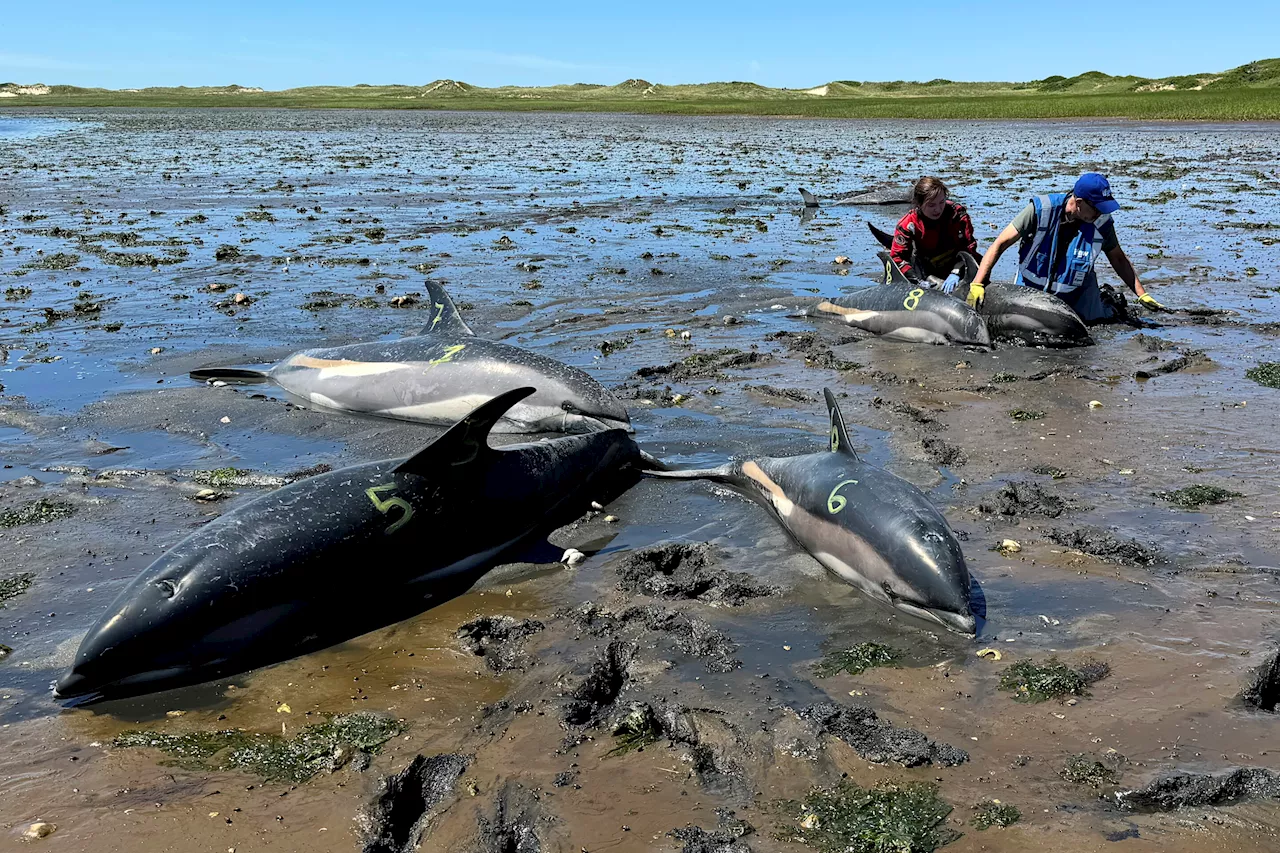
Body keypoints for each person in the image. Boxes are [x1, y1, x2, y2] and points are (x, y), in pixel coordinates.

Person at [967, 173, 1163, 323]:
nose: (1100, 214)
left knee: (1099, 321)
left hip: (1077, 294)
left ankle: (1108, 302)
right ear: (1078, 203)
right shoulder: (1040, 210)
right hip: (1031, 290)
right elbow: (1000, 244)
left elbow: (1118, 258)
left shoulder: (1102, 223)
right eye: (1096, 208)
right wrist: (978, 283)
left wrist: (1141, 293)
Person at [889, 176, 978, 293]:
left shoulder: (957, 215)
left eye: (941, 202)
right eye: (931, 205)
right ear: (919, 204)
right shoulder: (908, 224)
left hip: (957, 264)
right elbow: (897, 258)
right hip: (926, 269)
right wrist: (916, 281)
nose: (938, 209)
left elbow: (969, 247)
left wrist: (956, 272)